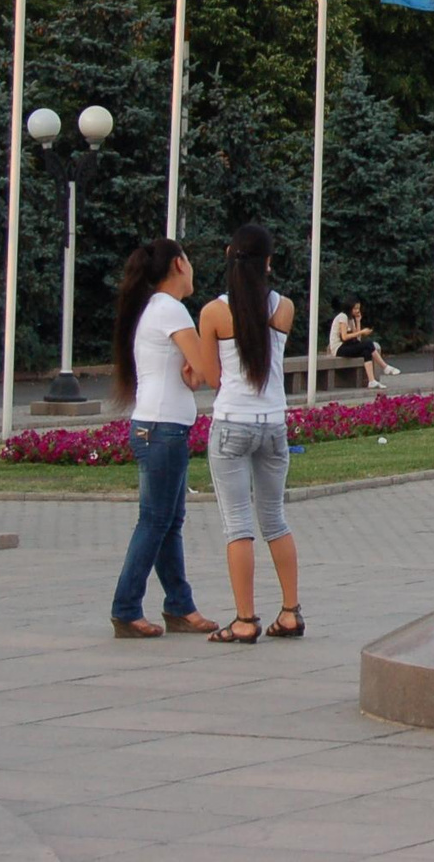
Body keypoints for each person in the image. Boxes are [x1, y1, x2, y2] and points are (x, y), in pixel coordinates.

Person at [108, 239, 219, 641]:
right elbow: (205, 368)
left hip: (157, 425)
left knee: (168, 522)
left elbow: (191, 372)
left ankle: (180, 606)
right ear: (178, 264)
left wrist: (193, 372)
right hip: (162, 429)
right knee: (156, 521)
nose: (192, 269)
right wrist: (206, 346)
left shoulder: (153, 308)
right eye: (189, 261)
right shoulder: (171, 309)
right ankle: (126, 608)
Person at [197, 224, 303, 645]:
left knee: (238, 525)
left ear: (228, 255)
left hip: (232, 425)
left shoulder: (214, 313)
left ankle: (244, 619)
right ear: (269, 263)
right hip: (274, 424)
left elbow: (211, 377)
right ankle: (291, 611)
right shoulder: (285, 308)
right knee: (275, 519)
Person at [329, 299, 388, 389]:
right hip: (338, 348)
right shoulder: (342, 317)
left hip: (347, 346)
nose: (357, 311)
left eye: (358, 308)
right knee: (368, 344)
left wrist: (358, 321)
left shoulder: (351, 319)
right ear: (350, 308)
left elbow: (357, 340)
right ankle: (385, 367)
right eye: (355, 308)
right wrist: (362, 332)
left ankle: (371, 381)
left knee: (366, 351)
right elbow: (344, 337)